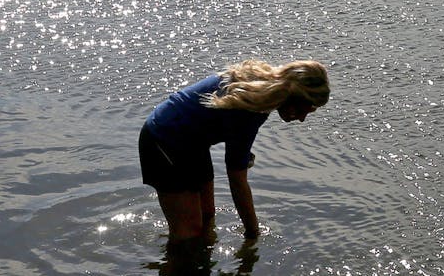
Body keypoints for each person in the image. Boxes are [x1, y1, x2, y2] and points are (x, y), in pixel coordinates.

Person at [140, 59, 330, 244]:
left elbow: (227, 131)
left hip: (194, 144)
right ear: (292, 97)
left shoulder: (260, 92)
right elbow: (237, 182)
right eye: (305, 110)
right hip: (163, 140)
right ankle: (174, 272)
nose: (302, 119)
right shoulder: (249, 111)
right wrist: (253, 233)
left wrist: (243, 153)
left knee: (207, 217)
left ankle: (198, 271)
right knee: (188, 232)